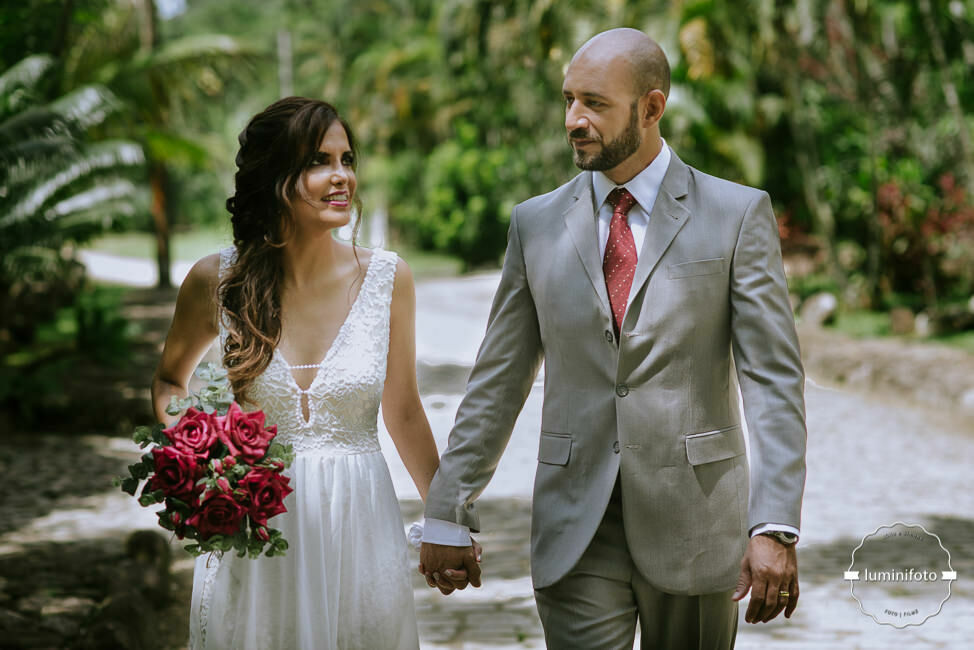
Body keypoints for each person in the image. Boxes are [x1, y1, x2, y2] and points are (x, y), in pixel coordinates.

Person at [419, 28, 807, 649]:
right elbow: (498, 378)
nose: (573, 119)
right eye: (569, 99)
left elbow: (772, 380)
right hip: (576, 523)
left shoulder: (735, 214)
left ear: (651, 108)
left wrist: (775, 525)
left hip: (697, 520)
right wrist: (448, 507)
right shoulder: (535, 224)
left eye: (594, 103)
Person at [152, 97, 440, 649]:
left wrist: (449, 517)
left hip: (359, 526)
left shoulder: (388, 278)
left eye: (346, 159)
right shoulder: (216, 280)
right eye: (318, 161)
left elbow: (403, 410)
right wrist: (196, 460)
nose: (342, 176)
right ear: (274, 176)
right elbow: (169, 381)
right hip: (258, 535)